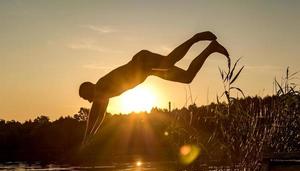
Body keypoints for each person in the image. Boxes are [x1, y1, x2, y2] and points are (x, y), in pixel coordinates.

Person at [79, 31, 229, 146]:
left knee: (168, 62)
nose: (88, 100)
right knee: (187, 77)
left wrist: (86, 137)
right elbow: (100, 114)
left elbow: (94, 114)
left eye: (85, 97)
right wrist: (92, 134)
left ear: (89, 88)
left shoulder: (100, 86)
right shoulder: (104, 95)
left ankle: (195, 38)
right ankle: (211, 49)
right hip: (148, 70)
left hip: (142, 62)